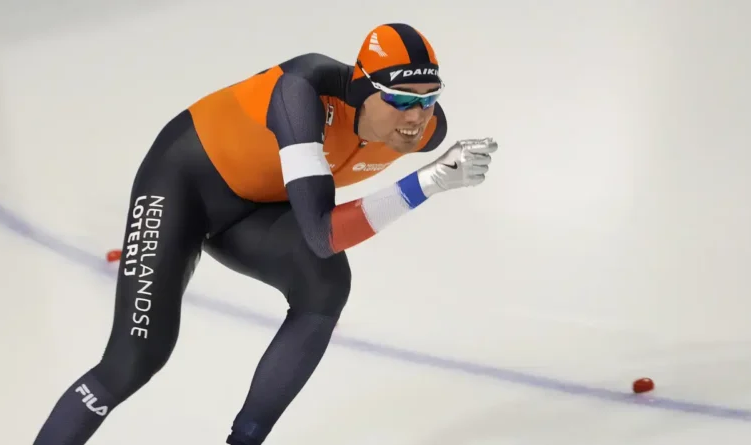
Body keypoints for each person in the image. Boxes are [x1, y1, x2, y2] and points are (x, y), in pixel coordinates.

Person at [32, 22, 498, 445]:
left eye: (428, 99)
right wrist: (427, 183)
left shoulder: (428, 132)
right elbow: (321, 234)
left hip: (259, 206)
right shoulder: (301, 92)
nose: (415, 117)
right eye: (400, 100)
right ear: (362, 89)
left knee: (325, 285)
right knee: (135, 358)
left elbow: (319, 237)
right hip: (183, 185)